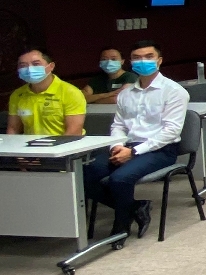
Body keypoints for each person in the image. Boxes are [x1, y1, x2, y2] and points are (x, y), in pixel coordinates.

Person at [81, 41, 189, 242]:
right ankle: (135, 207)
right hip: (126, 146)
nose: (142, 61)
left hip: (161, 149)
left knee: (120, 178)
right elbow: (118, 125)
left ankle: (121, 227)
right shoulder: (126, 93)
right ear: (130, 62)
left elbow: (171, 131)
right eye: (137, 58)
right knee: (85, 174)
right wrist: (117, 146)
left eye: (149, 57)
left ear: (159, 60)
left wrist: (134, 152)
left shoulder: (174, 91)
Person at [7, 49, 86, 136]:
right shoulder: (17, 94)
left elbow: (74, 132)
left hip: (64, 143)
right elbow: (13, 128)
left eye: (36, 64)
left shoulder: (70, 92)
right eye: (23, 65)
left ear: (51, 66)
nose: (29, 69)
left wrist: (53, 145)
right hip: (30, 144)